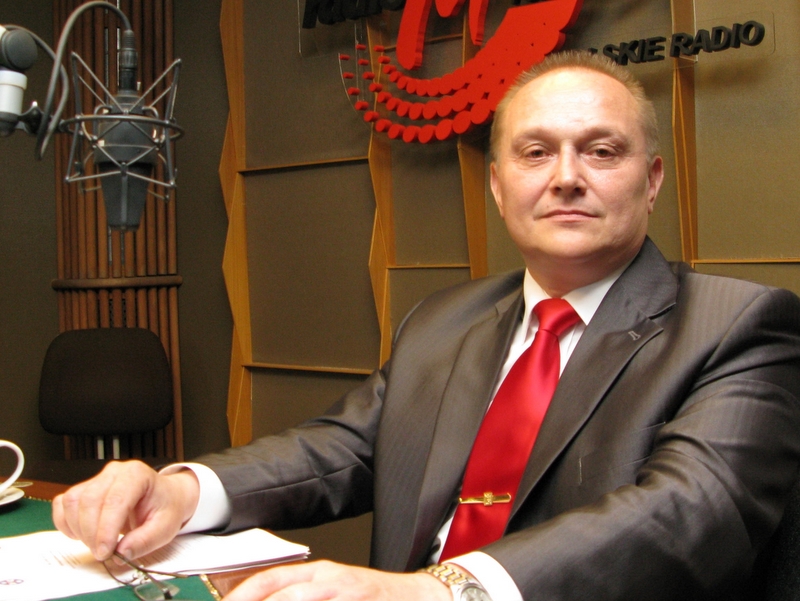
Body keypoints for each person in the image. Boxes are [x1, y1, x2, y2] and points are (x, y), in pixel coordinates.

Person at [52, 51, 800, 600]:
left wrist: (439, 590)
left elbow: (688, 513)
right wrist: (184, 490)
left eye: (601, 151)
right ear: (499, 187)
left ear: (652, 179)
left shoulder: (739, 326)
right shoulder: (445, 320)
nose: (567, 176)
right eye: (536, 152)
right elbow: (341, 449)